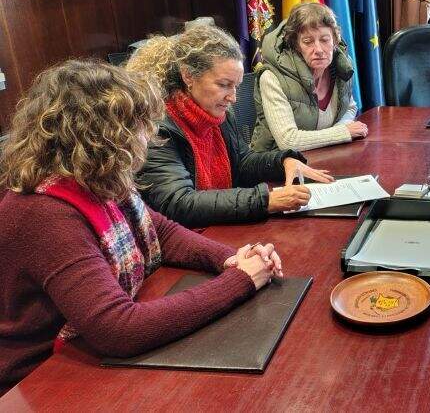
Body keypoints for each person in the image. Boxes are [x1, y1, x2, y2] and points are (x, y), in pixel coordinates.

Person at [0, 60, 283, 394]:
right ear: (101, 137)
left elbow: (160, 231)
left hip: (83, 355)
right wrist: (240, 281)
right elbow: (117, 329)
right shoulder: (44, 213)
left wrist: (231, 258)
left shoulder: (95, 178)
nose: (147, 137)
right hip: (40, 379)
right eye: (137, 126)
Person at [128, 25, 332, 228]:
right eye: (224, 85)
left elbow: (242, 162)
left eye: (236, 86)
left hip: (220, 227)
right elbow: (178, 203)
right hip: (188, 236)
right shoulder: (155, 128)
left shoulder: (218, 113)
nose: (233, 98)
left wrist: (283, 162)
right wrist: (265, 201)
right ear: (188, 76)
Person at [251, 2, 368, 152]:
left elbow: (350, 107)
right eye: (308, 42)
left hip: (324, 154)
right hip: (276, 161)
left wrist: (338, 133)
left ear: (335, 41)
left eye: (325, 40)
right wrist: (342, 133)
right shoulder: (271, 77)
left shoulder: (341, 66)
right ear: (296, 46)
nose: (318, 49)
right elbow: (288, 141)